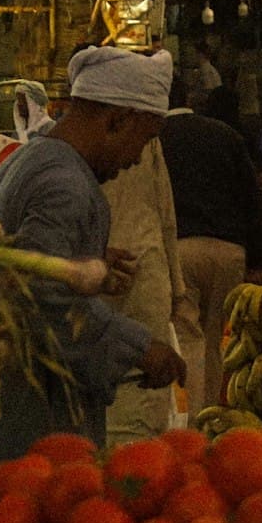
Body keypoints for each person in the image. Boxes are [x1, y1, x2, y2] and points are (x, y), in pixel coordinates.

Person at [0, 45, 186, 456]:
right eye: (144, 140)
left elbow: (24, 258)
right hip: (37, 425)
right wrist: (140, 347)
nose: (136, 159)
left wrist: (85, 259)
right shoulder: (66, 183)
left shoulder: (32, 159)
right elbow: (45, 297)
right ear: (116, 120)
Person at [160, 74, 262, 417]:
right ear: (190, 99)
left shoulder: (153, 140)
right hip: (229, 252)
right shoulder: (224, 135)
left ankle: (192, 421)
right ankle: (214, 415)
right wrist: (259, 257)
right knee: (217, 341)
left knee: (188, 339)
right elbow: (253, 199)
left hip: (181, 250)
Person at [103, 124, 189, 445]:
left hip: (144, 289)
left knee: (136, 426)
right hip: (123, 292)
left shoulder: (147, 144)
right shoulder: (62, 164)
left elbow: (165, 215)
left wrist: (176, 287)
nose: (133, 156)